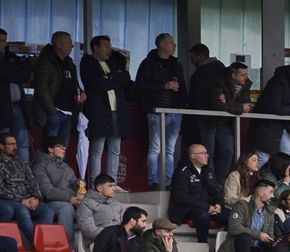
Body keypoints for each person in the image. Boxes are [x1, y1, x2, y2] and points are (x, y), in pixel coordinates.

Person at [135, 33, 185, 189]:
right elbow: (140, 85)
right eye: (171, 43)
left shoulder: (176, 64)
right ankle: (154, 181)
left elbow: (183, 87)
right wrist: (164, 86)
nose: (174, 46)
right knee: (155, 148)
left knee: (170, 149)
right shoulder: (148, 63)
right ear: (162, 44)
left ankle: (169, 181)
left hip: (175, 111)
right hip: (156, 111)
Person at [80, 35, 131, 183]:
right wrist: (114, 80)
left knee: (115, 148)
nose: (109, 50)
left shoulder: (113, 62)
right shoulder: (88, 62)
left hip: (116, 109)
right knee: (98, 147)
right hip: (99, 110)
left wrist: (109, 78)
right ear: (96, 48)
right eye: (106, 46)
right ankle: (96, 182)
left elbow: (126, 78)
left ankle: (111, 182)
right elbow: (97, 84)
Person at [251, 57, 290, 166]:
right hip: (266, 125)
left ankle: (278, 182)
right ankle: (243, 181)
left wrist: (288, 110)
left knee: (288, 155)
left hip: (282, 126)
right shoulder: (277, 82)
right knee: (262, 158)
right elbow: (275, 108)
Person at [0, 134, 54, 247]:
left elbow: (33, 183)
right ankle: (38, 245)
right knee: (22, 210)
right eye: (10, 144)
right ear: (1, 146)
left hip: (27, 200)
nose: (15, 147)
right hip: (8, 201)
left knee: (47, 211)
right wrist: (21, 201)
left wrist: (36, 199)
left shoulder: (22, 163)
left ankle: (42, 240)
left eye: (15, 144)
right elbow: (2, 191)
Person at [31, 31, 82, 151]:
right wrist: (51, 111)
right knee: (51, 149)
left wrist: (81, 92)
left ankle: (58, 170)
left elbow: (74, 84)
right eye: (69, 42)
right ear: (59, 44)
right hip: (54, 112)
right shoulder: (46, 61)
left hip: (68, 114)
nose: (72, 46)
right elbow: (41, 88)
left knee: (62, 150)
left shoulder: (69, 63)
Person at [203, 62, 253, 184]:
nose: (246, 77)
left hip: (225, 123)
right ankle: (209, 182)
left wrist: (229, 104)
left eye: (246, 74)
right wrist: (238, 107)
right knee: (209, 153)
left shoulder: (246, 84)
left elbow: (247, 105)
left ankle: (220, 182)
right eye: (242, 75)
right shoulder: (218, 81)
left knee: (228, 151)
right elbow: (217, 105)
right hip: (209, 121)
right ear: (233, 75)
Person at [217, 181, 277, 252]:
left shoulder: (269, 212)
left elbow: (270, 233)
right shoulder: (241, 205)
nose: (273, 196)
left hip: (257, 249)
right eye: (270, 192)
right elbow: (234, 228)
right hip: (238, 249)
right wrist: (258, 235)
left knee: (276, 246)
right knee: (245, 237)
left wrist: (272, 239)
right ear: (261, 193)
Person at [170, 144, 225, 246]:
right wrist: (207, 207)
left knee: (231, 216)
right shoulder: (182, 171)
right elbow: (182, 197)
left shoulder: (208, 170)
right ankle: (203, 246)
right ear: (193, 156)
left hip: (210, 208)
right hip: (187, 209)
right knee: (203, 216)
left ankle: (224, 249)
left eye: (207, 153)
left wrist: (218, 204)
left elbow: (217, 191)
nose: (207, 156)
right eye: (203, 153)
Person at [31, 139, 78, 243]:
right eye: (60, 146)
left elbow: (74, 185)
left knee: (91, 205)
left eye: (64, 147)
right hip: (46, 203)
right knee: (66, 208)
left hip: (68, 200)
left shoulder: (66, 167)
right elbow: (46, 192)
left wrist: (80, 186)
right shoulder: (40, 165)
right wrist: (69, 198)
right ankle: (66, 245)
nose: (63, 149)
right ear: (50, 149)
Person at [0, 29, 33, 162]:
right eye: (1, 40)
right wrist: (13, 70)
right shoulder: (12, 61)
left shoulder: (11, 56)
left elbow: (26, 72)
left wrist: (8, 75)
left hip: (18, 105)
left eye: (5, 40)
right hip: (3, 107)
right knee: (5, 141)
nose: (5, 44)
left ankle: (25, 175)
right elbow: (2, 71)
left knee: (22, 142)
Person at [77, 174, 124, 247]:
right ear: (99, 188)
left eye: (114, 186)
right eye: (110, 186)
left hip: (118, 240)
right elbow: (87, 229)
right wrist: (110, 234)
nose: (114, 189)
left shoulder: (117, 204)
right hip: (98, 241)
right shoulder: (86, 204)